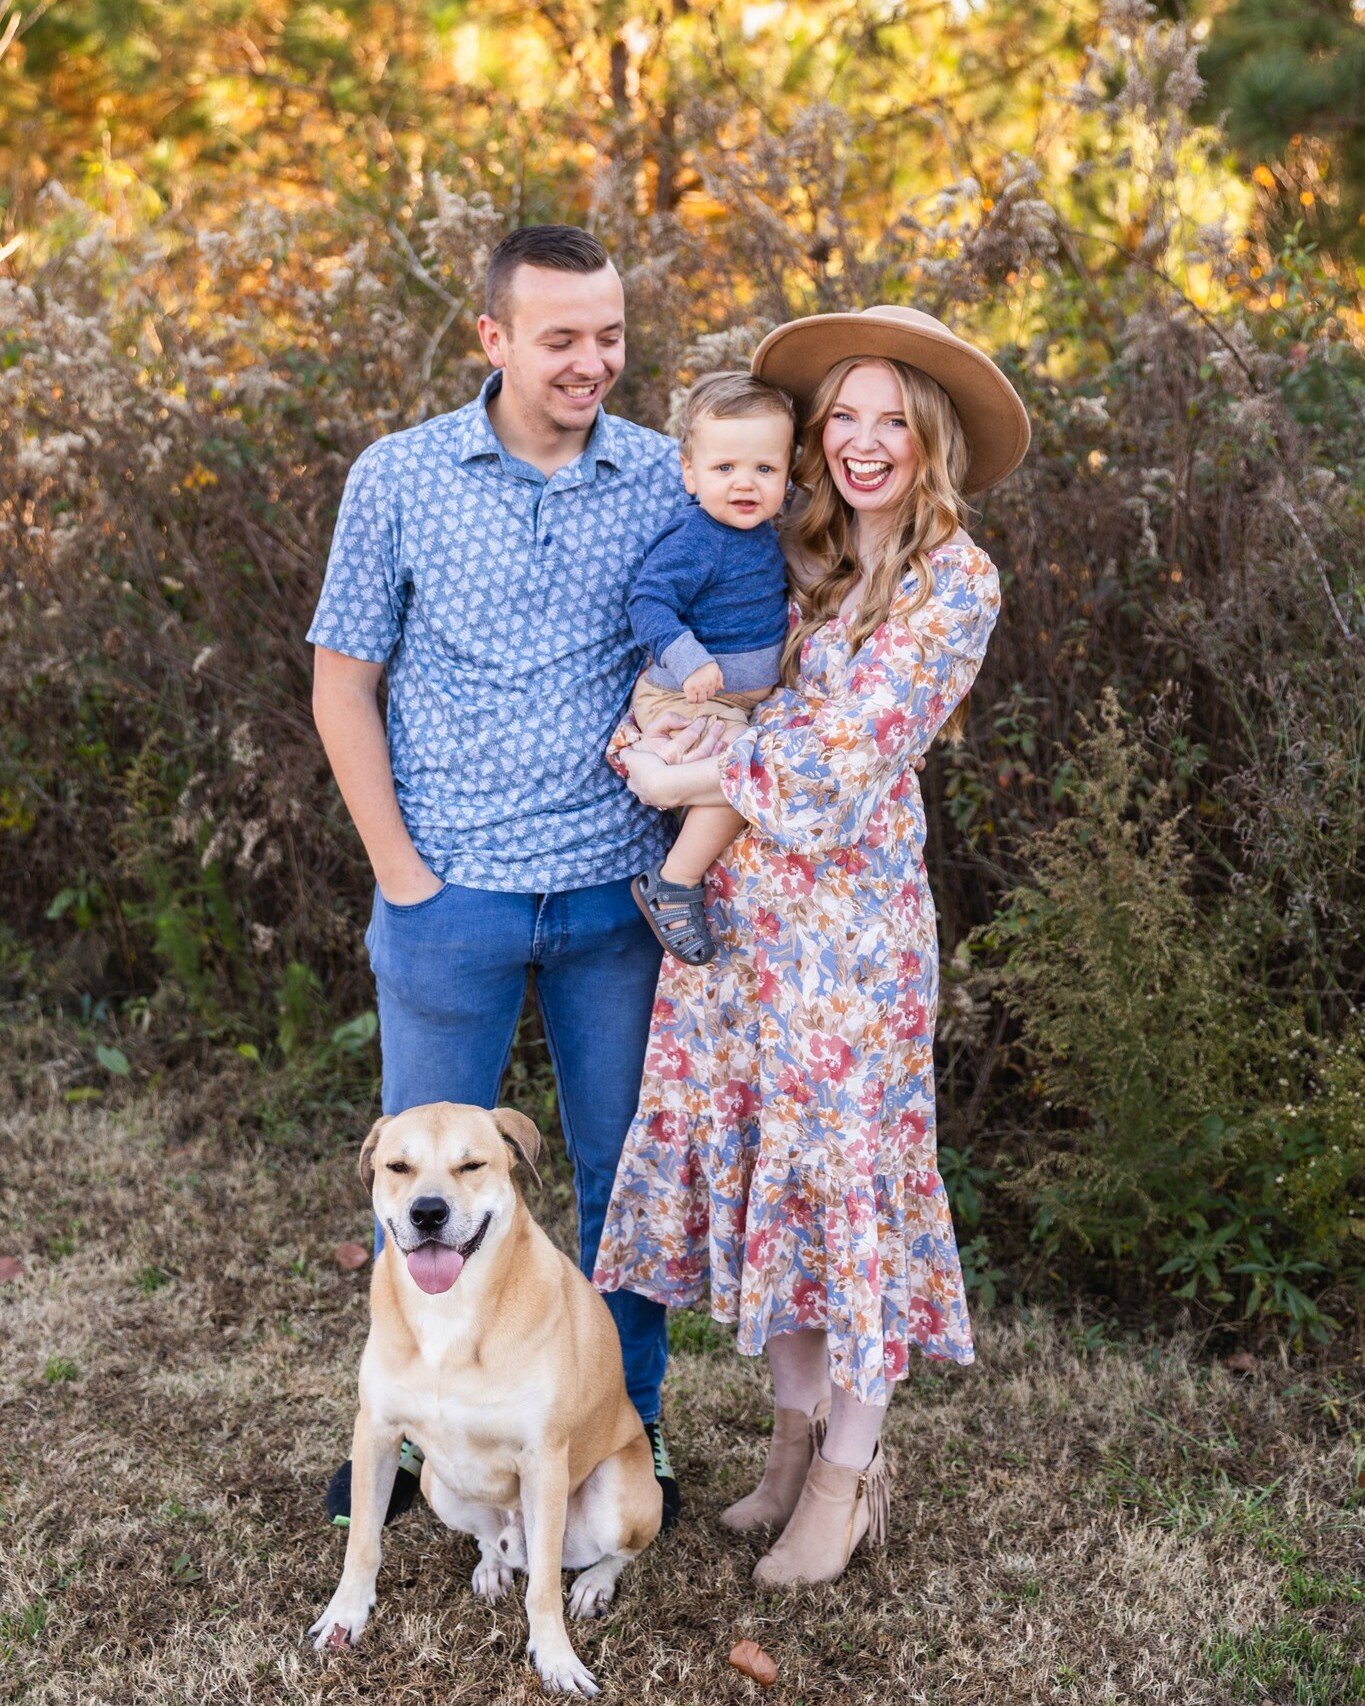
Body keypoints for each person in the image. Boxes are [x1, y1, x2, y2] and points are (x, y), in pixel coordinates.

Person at [593, 305, 1029, 1584]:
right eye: (842, 416)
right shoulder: (803, 552)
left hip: (850, 945)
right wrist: (653, 750)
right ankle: (789, 1448)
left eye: (892, 418)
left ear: (931, 436)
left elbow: (843, 762)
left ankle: (848, 1476)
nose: (863, 440)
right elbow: (697, 688)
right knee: (763, 1180)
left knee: (845, 1193)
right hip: (739, 928)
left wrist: (702, 773)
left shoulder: (955, 580)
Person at [307, 225, 685, 1528]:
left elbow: (730, 636)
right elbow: (342, 678)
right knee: (425, 1186)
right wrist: (401, 871)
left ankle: (621, 1424)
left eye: (611, 335)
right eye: (562, 337)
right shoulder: (400, 476)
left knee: (624, 1174)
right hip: (449, 893)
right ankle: (419, 1439)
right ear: (495, 338)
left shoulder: (664, 477)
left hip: (615, 892)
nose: (592, 361)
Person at [626, 371, 795, 967]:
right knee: (741, 778)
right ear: (689, 472)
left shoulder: (763, 531)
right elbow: (647, 601)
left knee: (757, 776)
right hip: (687, 696)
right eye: (724, 469)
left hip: (737, 702)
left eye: (764, 470)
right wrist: (689, 659)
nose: (744, 484)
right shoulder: (698, 537)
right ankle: (673, 882)